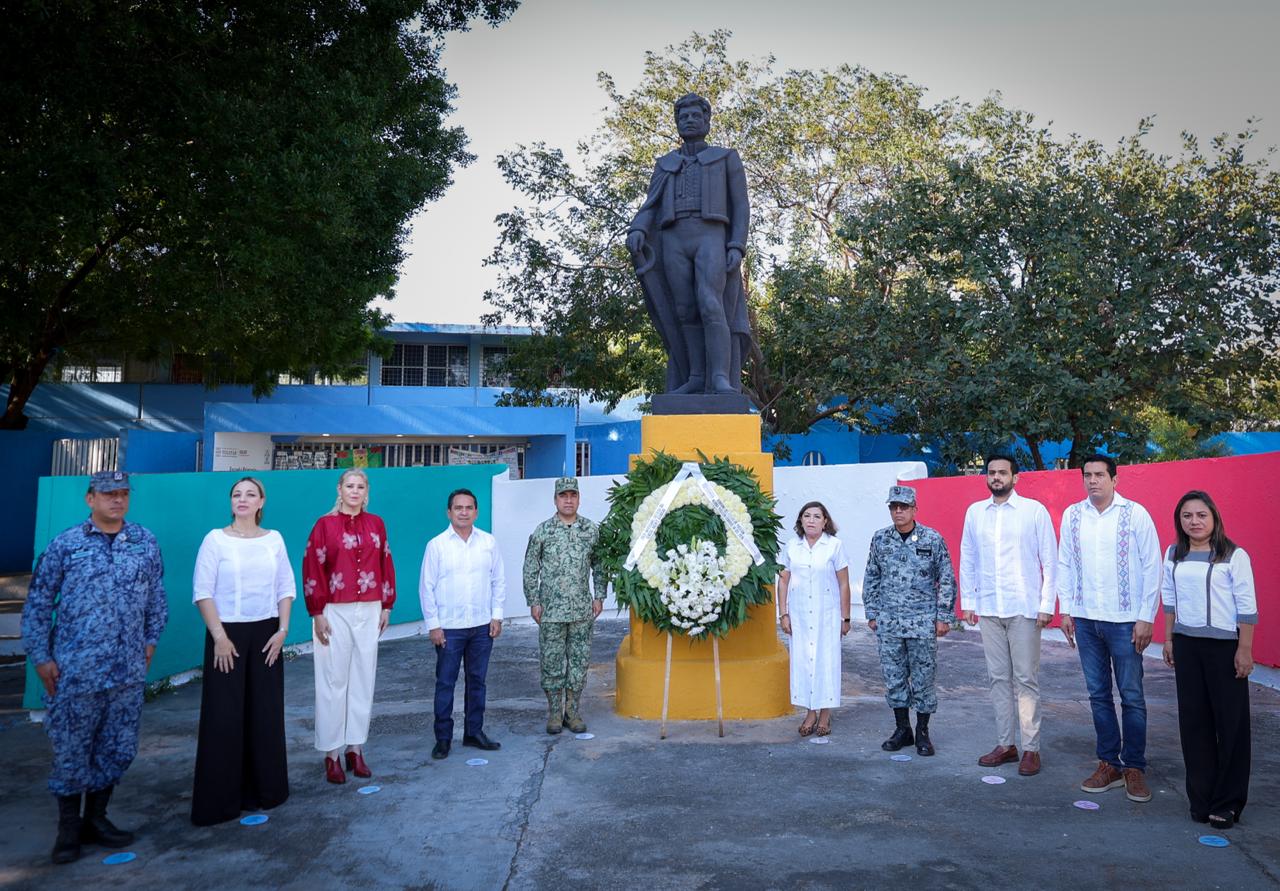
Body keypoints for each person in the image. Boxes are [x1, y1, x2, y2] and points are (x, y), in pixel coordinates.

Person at [21, 470, 168, 864]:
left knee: (118, 745)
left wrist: (151, 640)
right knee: (72, 748)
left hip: (126, 669)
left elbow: (156, 596)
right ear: (90, 499)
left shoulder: (144, 542)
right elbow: (38, 603)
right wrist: (41, 657)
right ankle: (68, 829)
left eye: (122, 494)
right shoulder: (66, 544)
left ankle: (96, 818)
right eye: (108, 494)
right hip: (76, 669)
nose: (117, 500)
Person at [627, 92, 752, 394]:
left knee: (710, 303)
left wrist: (736, 245)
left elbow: (741, 205)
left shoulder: (726, 158)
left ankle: (719, 377)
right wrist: (638, 228)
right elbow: (651, 205)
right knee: (684, 309)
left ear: (707, 121)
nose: (690, 120)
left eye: (696, 115)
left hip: (711, 236)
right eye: (683, 117)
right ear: (677, 123)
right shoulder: (665, 165)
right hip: (674, 238)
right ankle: (696, 377)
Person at [190, 477, 295, 825]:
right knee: (225, 716)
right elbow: (203, 591)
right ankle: (221, 801)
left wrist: (282, 631)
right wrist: (219, 637)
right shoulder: (215, 540)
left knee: (265, 713)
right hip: (227, 635)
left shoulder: (274, 539)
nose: (243, 499)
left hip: (267, 634)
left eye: (250, 494)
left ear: (261, 501)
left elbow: (285, 587)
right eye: (237, 494)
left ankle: (266, 791)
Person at [1057, 454, 1161, 803]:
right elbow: (1065, 564)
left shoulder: (1135, 514)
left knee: (1131, 695)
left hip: (1126, 620)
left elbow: (1152, 566)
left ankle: (1134, 766)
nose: (1093, 481)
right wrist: (1066, 610)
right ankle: (1109, 764)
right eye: (1087, 475)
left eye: (1100, 475)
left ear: (1114, 479)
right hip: (1086, 620)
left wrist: (1146, 616)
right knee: (1098, 694)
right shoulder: (1073, 515)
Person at [1161, 490, 1257, 829]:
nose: (1194, 521)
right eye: (1187, 516)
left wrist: (1244, 649)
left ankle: (1228, 802)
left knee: (1230, 725)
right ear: (1180, 521)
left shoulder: (1234, 555)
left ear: (1214, 517)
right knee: (1194, 724)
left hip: (1225, 648)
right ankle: (1201, 799)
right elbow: (1169, 598)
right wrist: (1169, 639)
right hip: (1187, 646)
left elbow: (1246, 605)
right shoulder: (1174, 553)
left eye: (1201, 515)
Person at [959, 454, 1057, 777]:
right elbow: (967, 557)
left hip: (1023, 608)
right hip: (989, 608)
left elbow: (1050, 560)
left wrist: (1046, 604)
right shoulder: (975, 513)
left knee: (1026, 679)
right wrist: (969, 601)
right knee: (998, 678)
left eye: (1003, 472)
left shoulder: (1033, 511)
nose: (996, 477)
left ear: (1015, 477)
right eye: (992, 472)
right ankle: (1006, 745)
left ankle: (1031, 748)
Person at [302, 468, 397, 785]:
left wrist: (386, 604)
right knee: (333, 679)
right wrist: (317, 612)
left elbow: (385, 561)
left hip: (370, 608)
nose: (354, 491)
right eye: (349, 486)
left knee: (363, 678)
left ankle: (355, 748)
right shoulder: (324, 525)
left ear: (366, 492)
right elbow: (312, 566)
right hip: (334, 609)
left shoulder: (377, 523)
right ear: (339, 489)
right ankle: (332, 752)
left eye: (360, 487)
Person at [863, 485, 956, 756]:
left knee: (924, 677)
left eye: (903, 507)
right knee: (894, 677)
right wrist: (872, 612)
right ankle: (902, 729)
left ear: (914, 509)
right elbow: (872, 575)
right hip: (889, 622)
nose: (898, 511)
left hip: (922, 622)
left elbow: (946, 578)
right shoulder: (881, 539)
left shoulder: (932, 539)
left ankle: (923, 732)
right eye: (894, 507)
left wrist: (944, 616)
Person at [420, 488, 506, 760]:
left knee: (477, 681)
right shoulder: (437, 545)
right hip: (449, 628)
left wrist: (496, 615)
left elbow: (498, 581)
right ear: (449, 512)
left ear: (476, 512)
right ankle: (443, 739)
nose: (464, 512)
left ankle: (473, 732)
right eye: (458, 508)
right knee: (446, 682)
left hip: (482, 626)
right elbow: (426, 588)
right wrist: (434, 625)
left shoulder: (488, 542)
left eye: (469, 508)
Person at [523, 477, 608, 735]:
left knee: (579, 662)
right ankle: (554, 712)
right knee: (551, 662)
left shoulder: (590, 530)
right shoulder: (543, 531)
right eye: (563, 496)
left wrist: (599, 596)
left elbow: (600, 565)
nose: (568, 500)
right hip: (550, 611)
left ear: (579, 499)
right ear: (555, 499)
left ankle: (572, 711)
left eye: (573, 495)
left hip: (581, 610)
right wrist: (533, 601)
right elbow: (530, 568)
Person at [777, 502, 851, 737]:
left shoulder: (834, 546)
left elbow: (844, 583)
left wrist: (845, 617)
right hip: (799, 614)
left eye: (817, 516)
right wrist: (783, 613)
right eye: (806, 516)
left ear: (825, 521)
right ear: (800, 520)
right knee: (803, 662)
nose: (811, 520)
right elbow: (783, 581)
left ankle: (825, 714)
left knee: (826, 662)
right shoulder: (792, 546)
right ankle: (810, 713)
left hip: (827, 614)